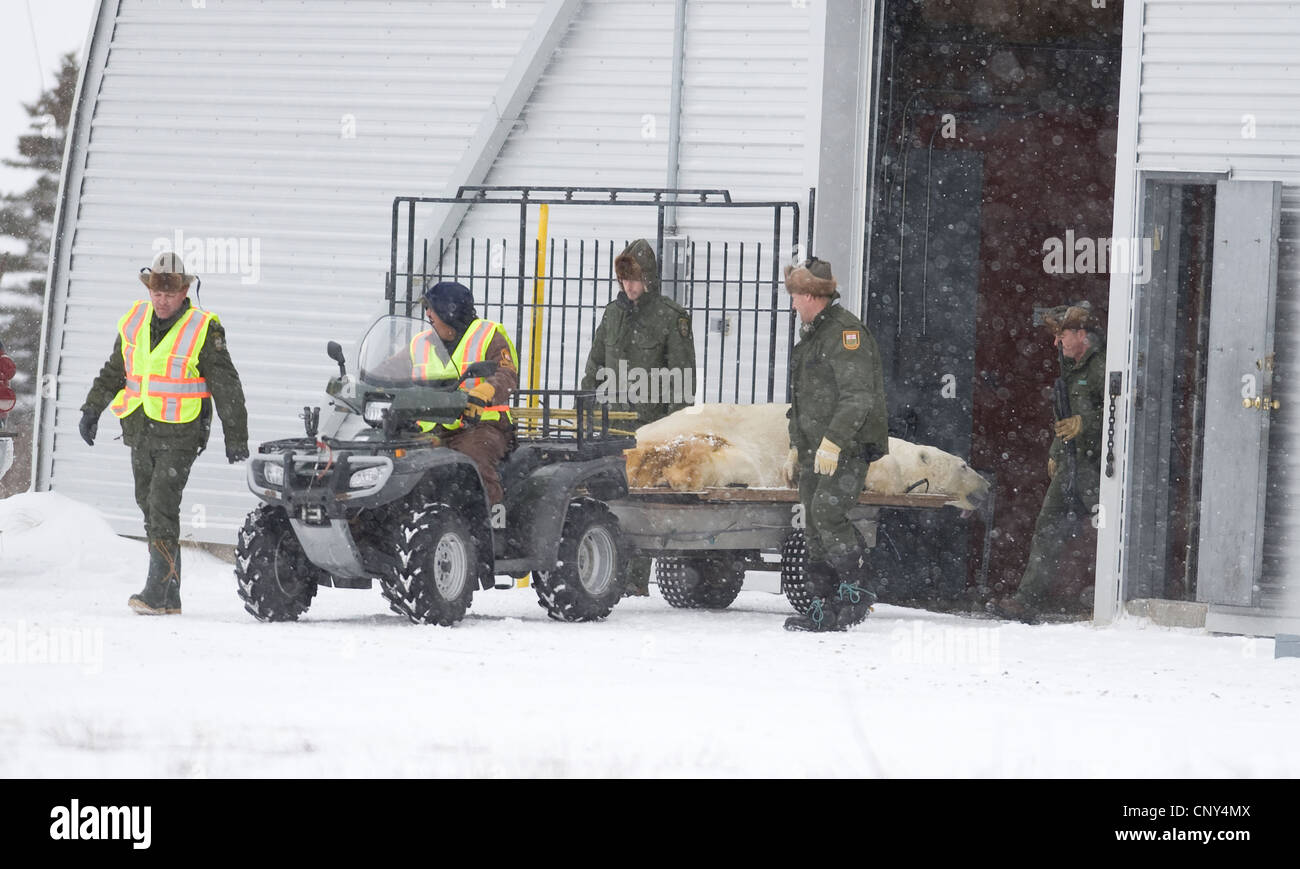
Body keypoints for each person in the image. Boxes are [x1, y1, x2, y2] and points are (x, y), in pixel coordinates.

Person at [80, 251, 249, 616]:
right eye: (157, 292)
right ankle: (171, 595)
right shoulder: (134, 320)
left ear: (185, 291)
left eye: (169, 293)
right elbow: (115, 369)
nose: (162, 299)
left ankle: (156, 591)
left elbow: (227, 384)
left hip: (181, 432)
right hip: (140, 427)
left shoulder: (203, 328)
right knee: (147, 503)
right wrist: (92, 409)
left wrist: (236, 436)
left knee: (161, 503)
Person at [581, 239, 697, 596]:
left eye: (635, 279)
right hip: (612, 424)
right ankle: (611, 570)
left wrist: (671, 429)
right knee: (609, 499)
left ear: (650, 279)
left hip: (649, 428)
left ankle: (634, 580)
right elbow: (596, 362)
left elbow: (682, 379)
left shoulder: (671, 317)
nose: (628, 287)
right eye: (623, 279)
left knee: (642, 502)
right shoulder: (612, 314)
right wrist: (587, 406)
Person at [780, 257, 889, 632]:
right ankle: (822, 606)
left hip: (847, 448)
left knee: (827, 512)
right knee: (813, 522)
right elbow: (803, 399)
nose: (792, 302)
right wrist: (797, 445)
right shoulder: (811, 335)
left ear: (812, 295)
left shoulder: (846, 334)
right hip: (814, 448)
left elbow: (857, 396)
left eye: (795, 294)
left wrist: (834, 442)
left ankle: (855, 592)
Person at [996, 303, 1106, 623]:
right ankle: (1028, 598)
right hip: (1072, 461)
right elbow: (1063, 414)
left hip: (1097, 465)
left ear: (1081, 335)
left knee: (1109, 530)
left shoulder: (1100, 368)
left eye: (1062, 336)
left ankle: (1112, 599)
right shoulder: (1071, 369)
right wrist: (1056, 452)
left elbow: (1120, 414)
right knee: (1048, 525)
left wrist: (1084, 424)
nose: (1055, 343)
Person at [414, 281, 519, 505]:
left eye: (432, 308)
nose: (428, 314)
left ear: (449, 311)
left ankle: (491, 521)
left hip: (482, 426)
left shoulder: (489, 335)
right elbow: (389, 372)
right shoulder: (421, 343)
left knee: (475, 459)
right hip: (435, 427)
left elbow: (507, 372)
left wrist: (486, 389)